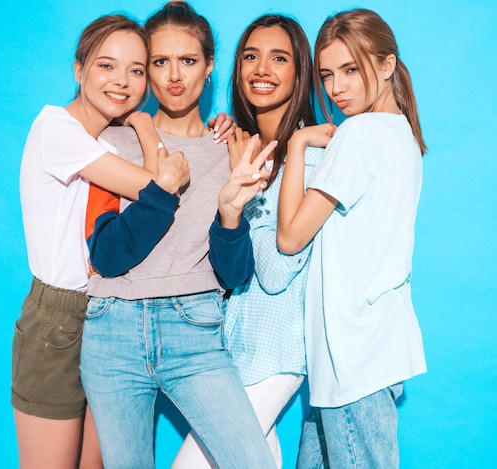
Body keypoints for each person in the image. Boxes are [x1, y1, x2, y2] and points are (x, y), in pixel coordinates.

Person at [79, 2, 277, 467]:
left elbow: (233, 274)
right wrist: (161, 187)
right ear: (145, 69)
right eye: (160, 62)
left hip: (195, 330)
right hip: (113, 332)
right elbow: (106, 257)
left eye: (188, 61)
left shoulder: (232, 148)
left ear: (209, 67)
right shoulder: (112, 142)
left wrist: (230, 213)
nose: (174, 76)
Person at [12, 14, 193, 469]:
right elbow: (156, 185)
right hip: (57, 318)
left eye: (136, 70)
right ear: (79, 69)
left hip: (107, 316)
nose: (123, 81)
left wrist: (143, 131)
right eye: (106, 66)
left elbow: (152, 190)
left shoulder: (108, 145)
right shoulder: (57, 131)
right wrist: (148, 128)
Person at [276, 9, 428, 468]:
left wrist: (297, 144)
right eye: (327, 74)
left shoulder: (359, 134)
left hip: (353, 354)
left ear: (387, 65)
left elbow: (289, 237)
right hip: (369, 348)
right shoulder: (404, 136)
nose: (337, 87)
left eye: (351, 69)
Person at [172, 14, 322, 469]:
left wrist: (249, 187)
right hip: (233, 349)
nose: (261, 69)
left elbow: (277, 270)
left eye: (279, 58)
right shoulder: (239, 144)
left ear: (300, 74)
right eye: (251, 56)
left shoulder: (311, 156)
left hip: (275, 355)